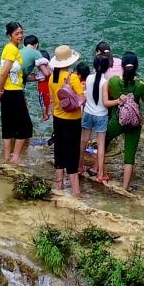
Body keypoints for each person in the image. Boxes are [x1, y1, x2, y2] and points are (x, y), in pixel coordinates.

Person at [107, 52, 144, 192]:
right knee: (130, 155)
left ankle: (99, 170)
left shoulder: (113, 81)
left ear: (121, 66)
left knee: (104, 141)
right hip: (134, 124)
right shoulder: (140, 85)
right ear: (136, 67)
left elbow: (109, 95)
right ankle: (125, 187)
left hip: (117, 120)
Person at [49, 45, 85, 198]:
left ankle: (59, 185)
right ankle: (76, 191)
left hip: (57, 118)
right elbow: (82, 98)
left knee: (59, 150)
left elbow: (51, 101)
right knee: (72, 153)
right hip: (72, 120)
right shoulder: (73, 77)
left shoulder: (52, 78)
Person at [0, 22, 32, 163]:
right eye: (17, 33)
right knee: (25, 126)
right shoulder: (11, 49)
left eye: (21, 33)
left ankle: (6, 157)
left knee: (8, 124)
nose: (20, 36)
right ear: (9, 35)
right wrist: (0, 89)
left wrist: (1, 90)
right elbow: (4, 72)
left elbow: (7, 72)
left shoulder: (10, 48)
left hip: (9, 91)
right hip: (12, 92)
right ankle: (15, 157)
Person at [82, 52, 116, 183]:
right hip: (101, 115)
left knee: (83, 141)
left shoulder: (89, 78)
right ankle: (100, 174)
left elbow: (85, 95)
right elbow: (107, 103)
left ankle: (79, 166)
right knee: (101, 145)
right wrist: (119, 100)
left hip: (87, 113)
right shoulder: (105, 82)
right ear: (107, 68)